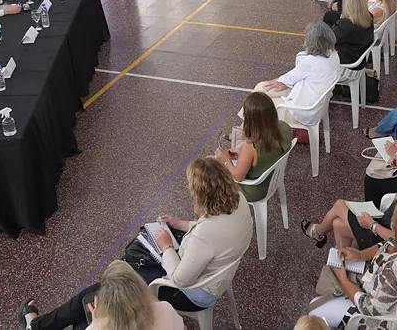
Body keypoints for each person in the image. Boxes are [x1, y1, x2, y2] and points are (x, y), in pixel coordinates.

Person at [304, 134, 397, 254]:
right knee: (337, 224)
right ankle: (347, 261)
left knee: (339, 205)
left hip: (389, 240)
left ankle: (319, 233)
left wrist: (372, 225)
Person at [306, 198, 397, 329]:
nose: (391, 224)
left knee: (313, 314)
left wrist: (343, 279)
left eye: (394, 221)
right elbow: (389, 243)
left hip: (389, 321)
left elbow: (370, 308)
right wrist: (359, 255)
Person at [135, 158, 253, 313]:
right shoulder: (240, 199)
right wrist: (179, 224)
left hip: (194, 295)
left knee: (133, 271)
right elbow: (217, 230)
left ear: (200, 194)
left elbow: (180, 280)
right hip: (220, 276)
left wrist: (167, 246)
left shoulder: (204, 237)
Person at [20, 259, 184, 330]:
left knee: (88, 300)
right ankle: (37, 326)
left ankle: (35, 326)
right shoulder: (165, 309)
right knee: (90, 296)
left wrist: (96, 322)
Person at [253, 22, 340, 127]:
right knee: (260, 88)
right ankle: (243, 130)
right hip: (313, 103)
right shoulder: (334, 55)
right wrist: (283, 82)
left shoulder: (310, 62)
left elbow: (288, 79)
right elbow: (291, 78)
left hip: (299, 112)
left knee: (256, 102)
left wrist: (282, 82)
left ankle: (244, 132)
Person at [214, 92, 292, 201]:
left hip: (253, 189)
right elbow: (263, 157)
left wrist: (226, 160)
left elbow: (238, 176)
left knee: (209, 166)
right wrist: (241, 156)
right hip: (272, 178)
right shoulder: (285, 127)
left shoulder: (251, 145)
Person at [324, 0, 374, 74]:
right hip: (359, 56)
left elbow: (327, 40)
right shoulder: (369, 16)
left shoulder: (346, 25)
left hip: (348, 62)